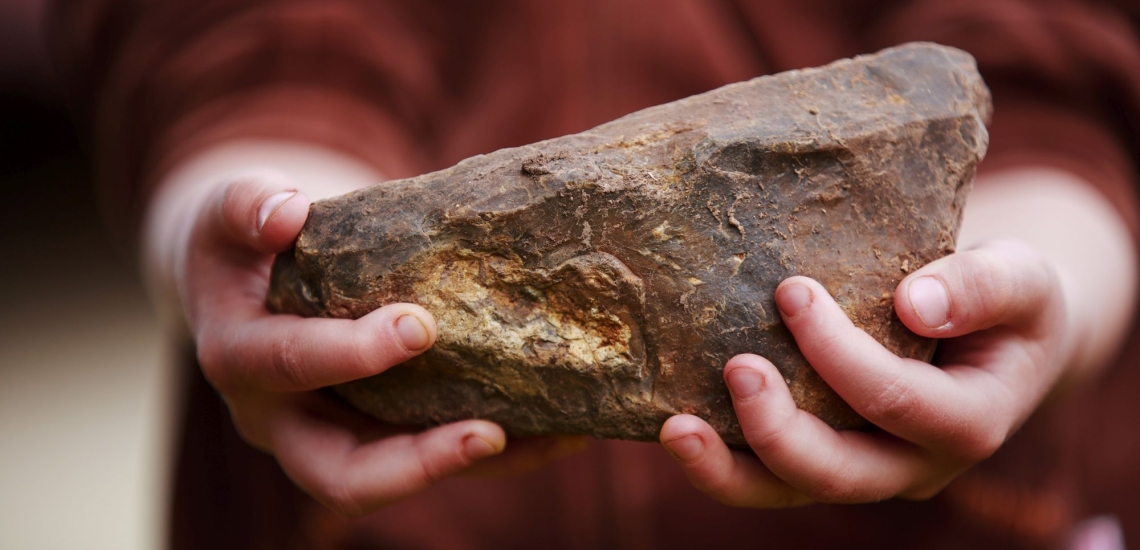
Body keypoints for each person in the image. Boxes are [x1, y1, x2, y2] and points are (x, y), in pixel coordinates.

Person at [49, 1, 1140, 548]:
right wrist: (253, 187)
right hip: (358, 508)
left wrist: (1047, 260)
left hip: (966, 512)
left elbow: (1065, 47)